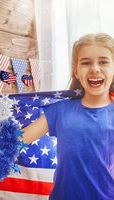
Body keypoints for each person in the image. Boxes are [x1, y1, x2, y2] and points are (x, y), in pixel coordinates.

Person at [21, 33, 114, 200]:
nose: (94, 68)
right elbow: (18, 140)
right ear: (76, 72)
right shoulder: (60, 110)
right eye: (86, 62)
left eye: (103, 62)